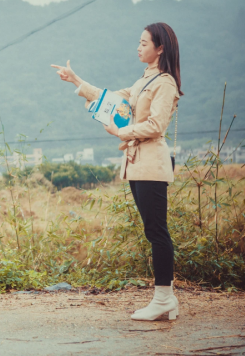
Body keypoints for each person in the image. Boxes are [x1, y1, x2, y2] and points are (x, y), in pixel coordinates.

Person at [51, 22, 183, 321]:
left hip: (151, 162)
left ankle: (164, 298)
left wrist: (121, 133)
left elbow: (156, 126)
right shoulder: (144, 81)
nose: (138, 47)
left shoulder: (165, 83)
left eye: (144, 43)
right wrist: (75, 80)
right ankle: (165, 299)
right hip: (137, 163)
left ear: (160, 47)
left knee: (157, 232)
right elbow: (109, 98)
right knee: (153, 231)